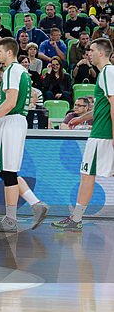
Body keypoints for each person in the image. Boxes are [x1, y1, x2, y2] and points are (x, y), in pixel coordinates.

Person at [0, 38, 48, 234]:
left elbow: (10, 102)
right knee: (6, 171)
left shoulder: (11, 71)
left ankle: (11, 219)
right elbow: (12, 103)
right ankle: (35, 205)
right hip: (14, 121)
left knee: (7, 172)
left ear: (8, 52)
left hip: (12, 122)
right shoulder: (21, 71)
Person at [53, 39, 114, 230]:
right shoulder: (106, 73)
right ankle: (76, 218)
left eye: (92, 50)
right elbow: (103, 107)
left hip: (103, 135)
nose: (89, 53)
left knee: (87, 174)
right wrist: (80, 119)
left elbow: (113, 103)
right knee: (88, 174)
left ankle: (76, 218)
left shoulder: (108, 72)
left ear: (102, 53)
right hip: (102, 132)